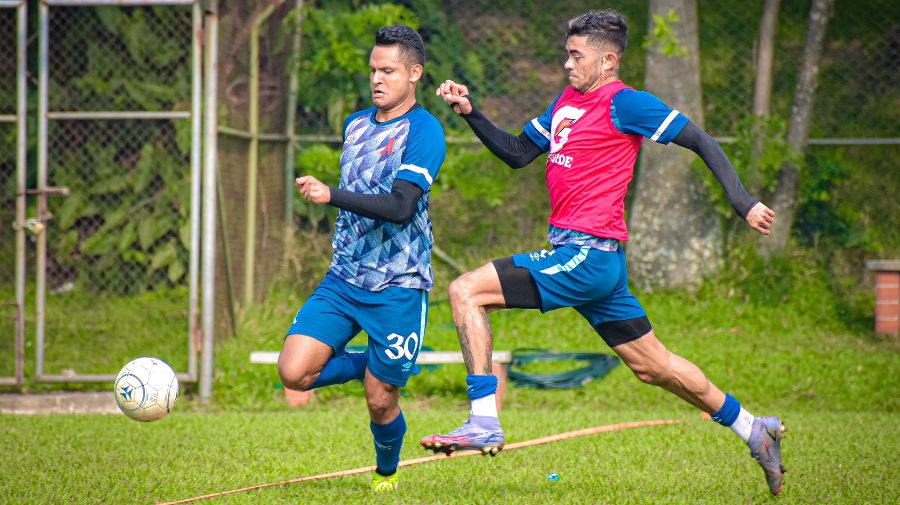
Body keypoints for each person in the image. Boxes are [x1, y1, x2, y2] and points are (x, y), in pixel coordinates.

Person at [419, 10, 786, 496]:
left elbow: (700, 140)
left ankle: (483, 419)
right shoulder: (566, 101)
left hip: (585, 256)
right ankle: (754, 429)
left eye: (576, 56)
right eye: (567, 54)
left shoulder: (626, 103)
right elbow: (517, 153)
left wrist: (743, 203)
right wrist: (471, 112)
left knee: (466, 291)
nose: (567, 64)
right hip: (597, 265)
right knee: (654, 367)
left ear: (608, 60)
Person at [278, 25, 445, 493]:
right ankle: (371, 361)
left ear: (414, 73)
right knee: (294, 372)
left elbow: (401, 206)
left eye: (388, 71)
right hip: (345, 277)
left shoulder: (425, 131)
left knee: (380, 401)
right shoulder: (355, 125)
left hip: (398, 284)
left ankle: (386, 473)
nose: (377, 79)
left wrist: (331, 195)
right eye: (373, 69)